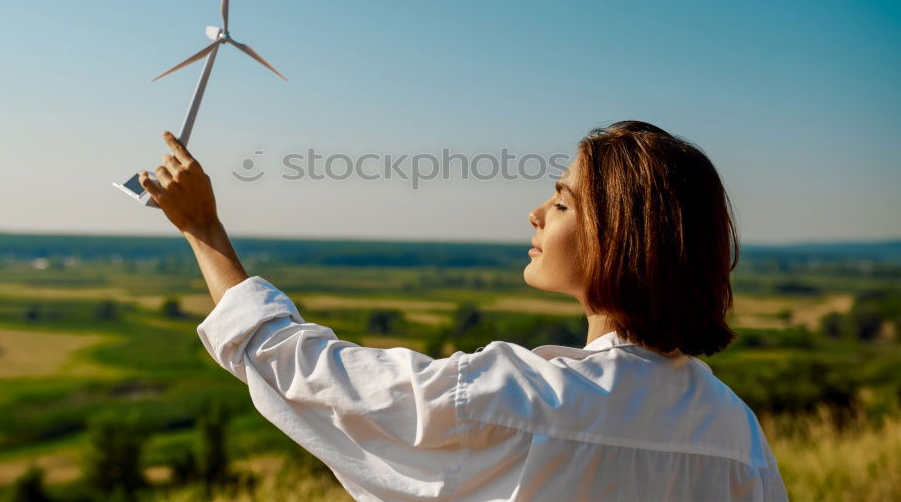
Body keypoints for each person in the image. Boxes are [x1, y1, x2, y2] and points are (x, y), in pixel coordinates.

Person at [139, 121, 788, 502]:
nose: (535, 213)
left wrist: (203, 230)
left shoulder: (521, 398)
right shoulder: (739, 436)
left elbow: (308, 371)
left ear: (619, 238)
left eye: (561, 203)